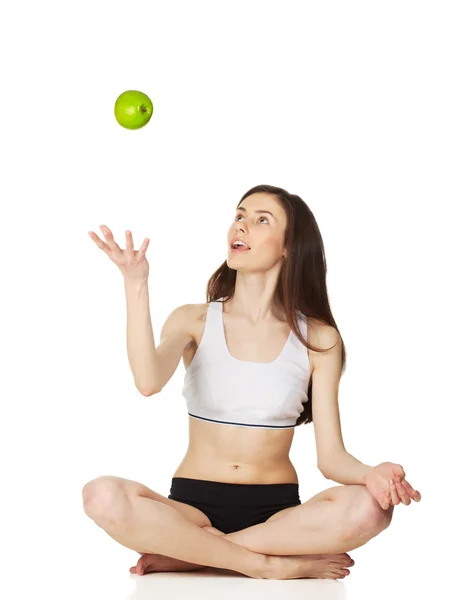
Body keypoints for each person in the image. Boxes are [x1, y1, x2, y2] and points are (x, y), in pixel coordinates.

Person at [83, 184, 421, 581]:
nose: (241, 226)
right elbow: (147, 380)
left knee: (372, 508)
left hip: (276, 515)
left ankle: (193, 551)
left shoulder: (319, 338)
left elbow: (330, 458)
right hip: (192, 507)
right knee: (101, 495)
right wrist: (135, 282)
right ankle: (259, 562)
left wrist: (371, 474)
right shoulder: (192, 320)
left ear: (288, 247)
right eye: (240, 215)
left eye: (262, 220)